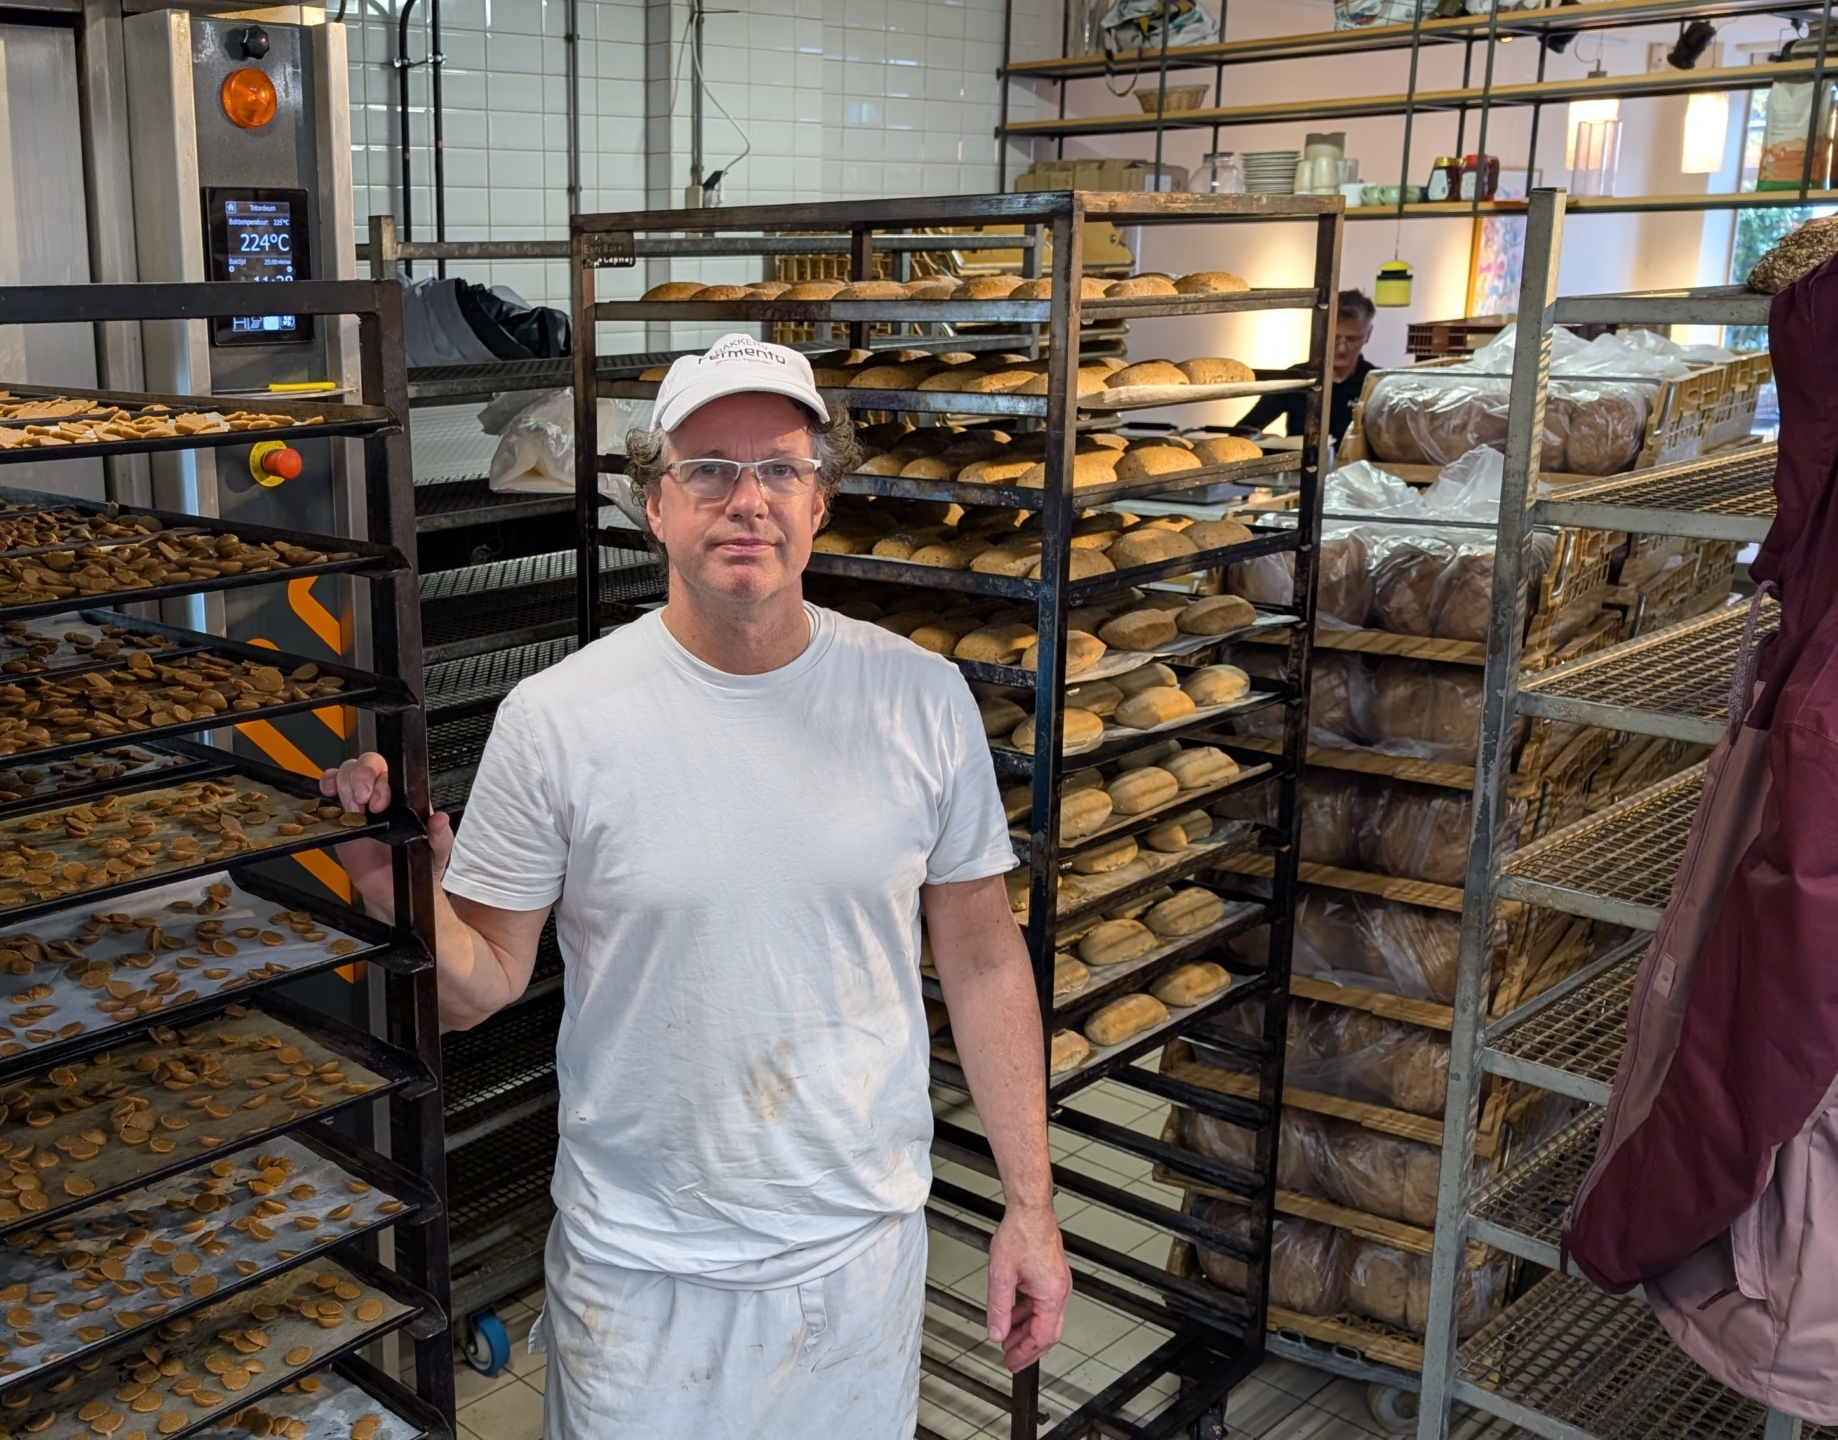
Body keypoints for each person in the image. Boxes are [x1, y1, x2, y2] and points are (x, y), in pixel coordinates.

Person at [320, 335, 1069, 1438]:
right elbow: (480, 988)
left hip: (855, 1258)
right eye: (706, 469)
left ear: (822, 501)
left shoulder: (918, 697)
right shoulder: (560, 719)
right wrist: (402, 892)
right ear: (652, 504)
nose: (746, 500)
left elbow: (983, 952)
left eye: (780, 468)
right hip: (643, 1277)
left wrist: (1031, 1205)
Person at [1237, 287, 1376, 441]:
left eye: (1352, 339)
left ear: (1368, 335)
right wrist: (1271, 441)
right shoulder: (1296, 377)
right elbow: (1243, 430)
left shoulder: (1377, 384)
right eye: (1334, 338)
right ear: (1322, 332)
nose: (1342, 348)